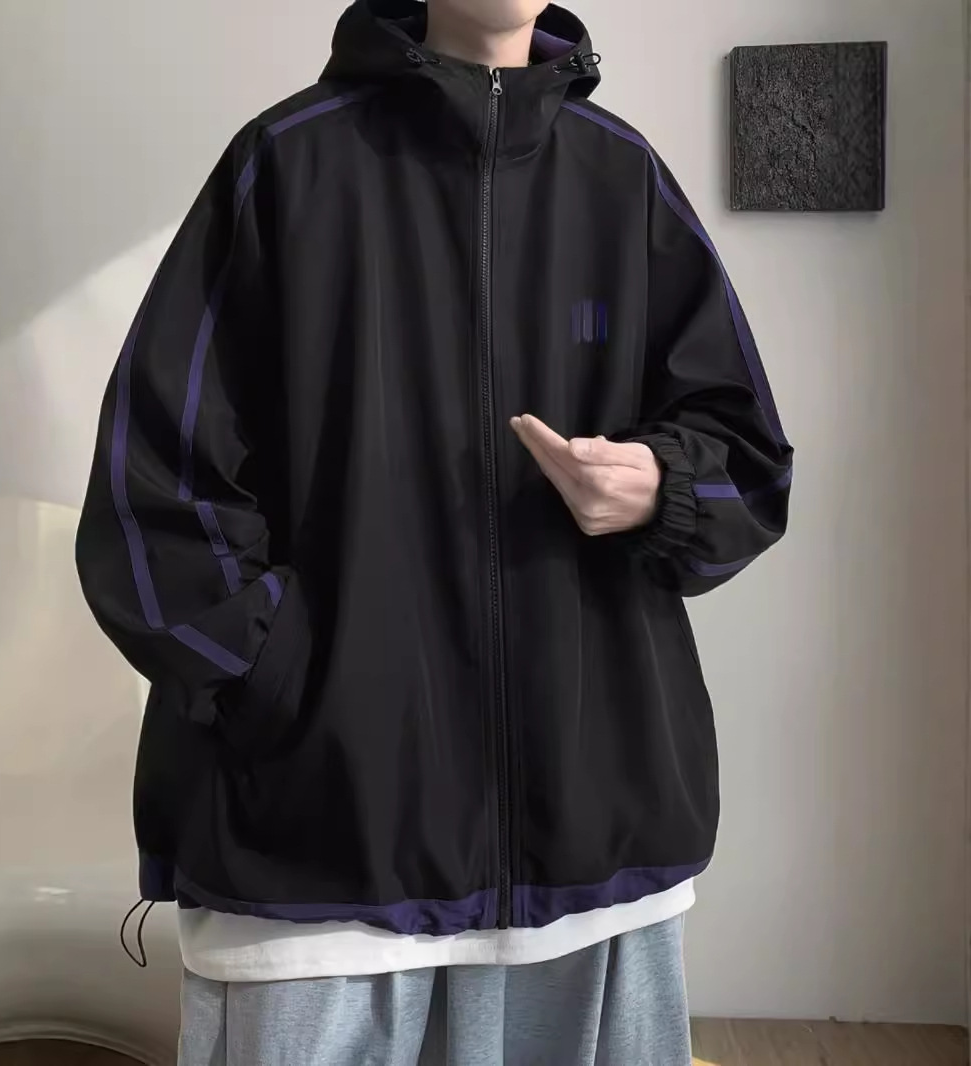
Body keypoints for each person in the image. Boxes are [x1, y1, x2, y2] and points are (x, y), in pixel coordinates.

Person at [76, 0, 792, 1062]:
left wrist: (658, 485)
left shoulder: (621, 176)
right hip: (322, 856)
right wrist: (287, 684)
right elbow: (154, 493)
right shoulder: (286, 164)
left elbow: (749, 460)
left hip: (590, 849)